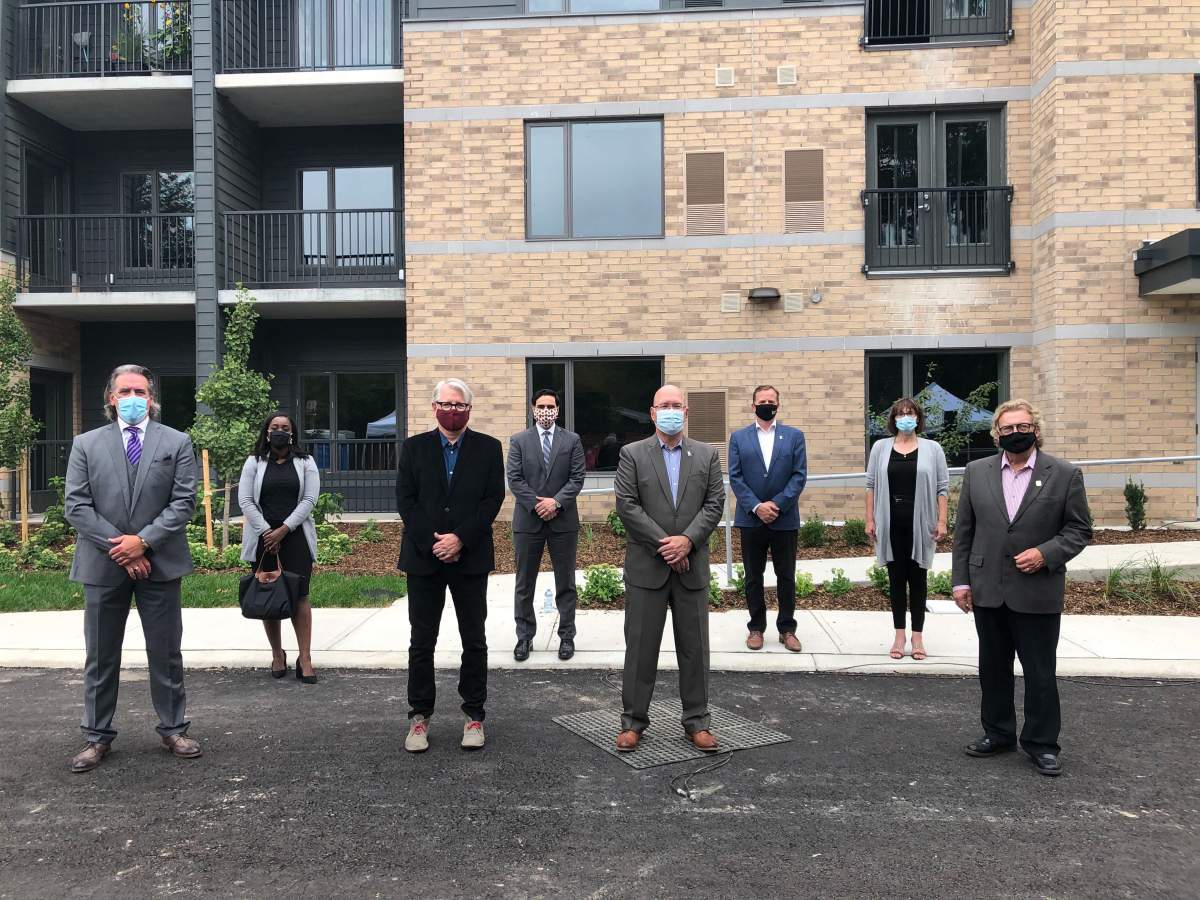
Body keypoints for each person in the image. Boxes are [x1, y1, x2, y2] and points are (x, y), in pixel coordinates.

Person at [63, 364, 200, 773]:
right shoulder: (86, 444)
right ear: (111, 397)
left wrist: (143, 542)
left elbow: (183, 503)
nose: (133, 397)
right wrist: (122, 548)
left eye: (140, 391)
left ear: (152, 397)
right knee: (101, 655)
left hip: (160, 564)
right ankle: (96, 736)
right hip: (103, 566)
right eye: (125, 391)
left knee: (166, 652)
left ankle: (173, 728)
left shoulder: (176, 442)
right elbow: (77, 506)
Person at [952, 399, 1092, 777]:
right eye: (1008, 428)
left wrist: (1046, 554)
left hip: (1037, 590)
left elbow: (1079, 530)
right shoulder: (977, 471)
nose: (1016, 434)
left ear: (1036, 429)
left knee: (1040, 673)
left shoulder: (1064, 474)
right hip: (988, 589)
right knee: (992, 668)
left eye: (1023, 427)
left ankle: (1042, 744)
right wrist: (961, 581)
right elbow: (964, 531)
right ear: (996, 433)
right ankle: (997, 733)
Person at [613, 384, 725, 753]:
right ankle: (633, 723)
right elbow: (628, 506)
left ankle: (697, 722)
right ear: (652, 412)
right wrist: (667, 545)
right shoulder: (632, 454)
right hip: (648, 566)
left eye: (677, 405)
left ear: (687, 412)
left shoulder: (707, 455)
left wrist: (687, 541)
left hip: (691, 566)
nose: (671, 410)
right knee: (641, 648)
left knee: (694, 649)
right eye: (665, 405)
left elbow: (714, 504)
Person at [396, 378, 504, 753]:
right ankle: (419, 717)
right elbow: (405, 501)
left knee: (474, 639)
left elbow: (492, 499)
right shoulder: (414, 448)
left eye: (459, 406)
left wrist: (460, 538)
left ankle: (474, 715)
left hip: (470, 557)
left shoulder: (489, 448)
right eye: (446, 404)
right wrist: (434, 542)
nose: (453, 411)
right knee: (421, 642)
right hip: (424, 560)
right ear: (434, 407)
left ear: (469, 410)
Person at [865, 398, 949, 661]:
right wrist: (870, 519)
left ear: (918, 418)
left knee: (919, 579)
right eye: (900, 413)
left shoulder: (932, 449)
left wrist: (942, 521)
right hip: (890, 523)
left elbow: (942, 488)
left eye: (910, 413)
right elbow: (871, 486)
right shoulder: (880, 447)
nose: (905, 417)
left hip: (921, 524)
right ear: (893, 419)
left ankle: (918, 636)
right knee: (896, 579)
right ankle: (899, 634)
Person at [239, 413, 320, 683]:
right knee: (268, 594)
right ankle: (277, 653)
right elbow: (246, 500)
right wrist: (267, 532)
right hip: (263, 537)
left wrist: (284, 530)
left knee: (300, 596)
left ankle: (305, 657)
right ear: (267, 432)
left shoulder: (306, 462)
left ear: (293, 432)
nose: (280, 432)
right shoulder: (254, 462)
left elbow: (309, 499)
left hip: (294, 536)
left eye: (285, 428)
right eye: (275, 428)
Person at [507, 389, 586, 661]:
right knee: (524, 584)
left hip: (563, 522)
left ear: (558, 410)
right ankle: (524, 638)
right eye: (540, 406)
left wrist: (556, 503)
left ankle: (566, 638)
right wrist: (538, 504)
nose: (545, 410)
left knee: (565, 583)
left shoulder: (572, 441)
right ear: (532, 409)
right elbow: (514, 479)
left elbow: (577, 478)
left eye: (550, 406)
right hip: (528, 522)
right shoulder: (519, 440)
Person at [727, 385, 808, 652]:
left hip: (784, 519)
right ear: (753, 406)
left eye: (771, 401)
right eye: (762, 401)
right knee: (753, 576)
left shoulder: (794, 436)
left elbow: (799, 476)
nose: (767, 405)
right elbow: (735, 477)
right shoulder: (739, 438)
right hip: (751, 519)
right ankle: (756, 628)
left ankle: (787, 629)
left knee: (786, 576)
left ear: (778, 405)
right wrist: (756, 506)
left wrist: (777, 504)